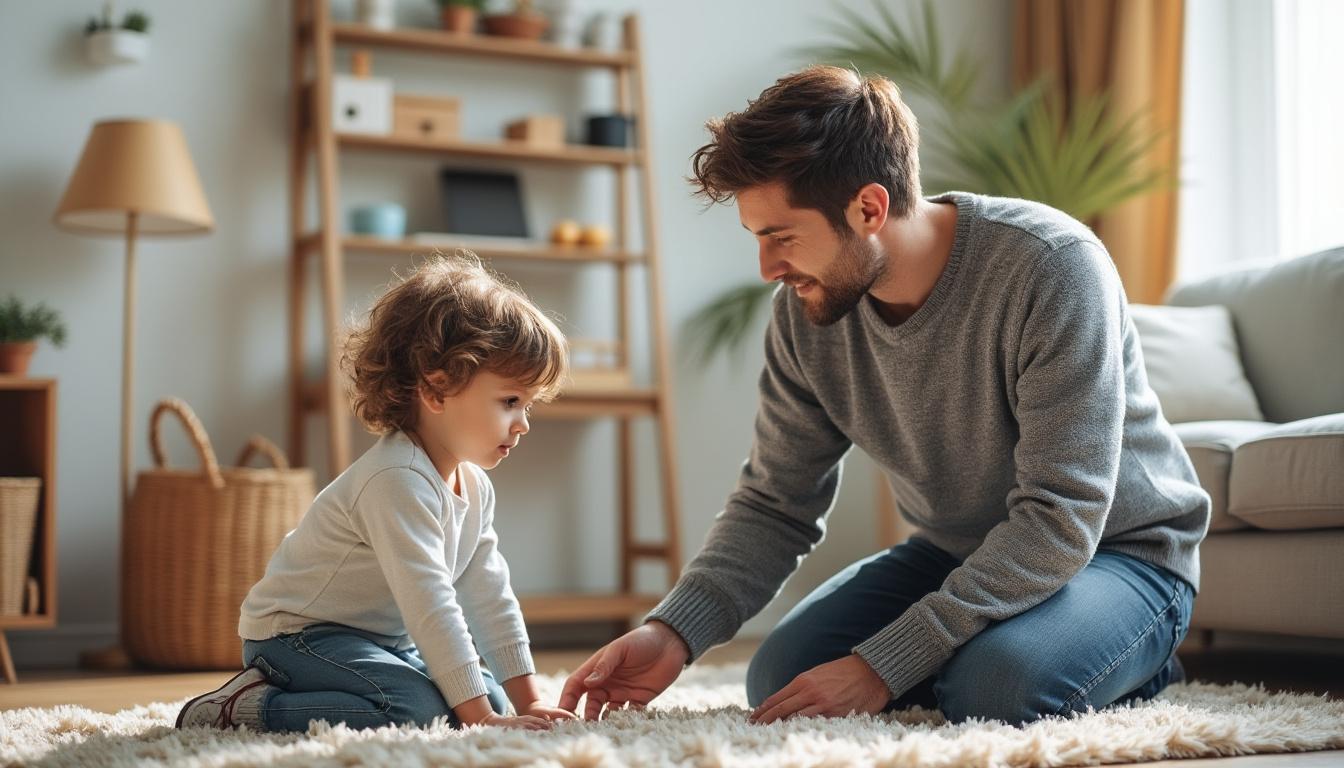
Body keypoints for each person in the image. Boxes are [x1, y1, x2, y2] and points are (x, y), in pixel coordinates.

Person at [559, 66, 1210, 727]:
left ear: (868, 208)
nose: (768, 270)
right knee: (780, 679)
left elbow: (1061, 516)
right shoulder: (805, 313)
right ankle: (997, 649)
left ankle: (1139, 655)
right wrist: (674, 632)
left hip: (1116, 552)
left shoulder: (1051, 266)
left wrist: (881, 667)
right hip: (956, 551)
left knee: (994, 692)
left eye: (780, 236)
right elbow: (775, 501)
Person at [177, 252, 576, 732]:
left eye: (528, 404)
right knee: (420, 711)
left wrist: (524, 701)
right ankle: (244, 706)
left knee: (486, 696)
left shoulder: (474, 485)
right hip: (297, 635)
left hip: (382, 638)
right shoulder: (397, 480)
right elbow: (432, 606)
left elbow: (489, 594)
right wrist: (481, 721)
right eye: (511, 401)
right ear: (436, 389)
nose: (524, 422)